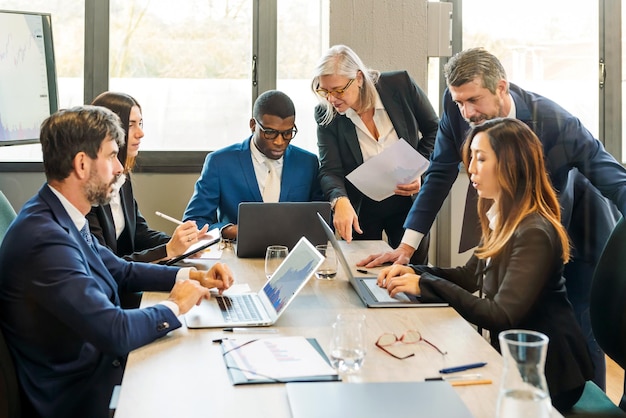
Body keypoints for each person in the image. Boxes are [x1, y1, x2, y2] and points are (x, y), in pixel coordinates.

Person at [360, 47, 626, 388]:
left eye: (474, 100)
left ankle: (588, 402)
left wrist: (425, 282)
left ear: (502, 87)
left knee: (576, 334)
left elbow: (614, 180)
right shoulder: (460, 109)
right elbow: (439, 173)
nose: (467, 112)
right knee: (520, 326)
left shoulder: (557, 123)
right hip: (520, 226)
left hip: (577, 232)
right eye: (459, 103)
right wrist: (407, 252)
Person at [0, 106, 234, 418]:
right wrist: (175, 305)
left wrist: (192, 276)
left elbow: (120, 270)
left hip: (93, 371)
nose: (119, 168)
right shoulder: (45, 240)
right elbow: (116, 331)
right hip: (78, 397)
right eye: (111, 156)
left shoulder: (61, 213)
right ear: (82, 164)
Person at [378, 118, 594, 412]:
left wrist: (425, 284)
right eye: (471, 159)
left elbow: (500, 315)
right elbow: (469, 277)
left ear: (511, 164)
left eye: (481, 159)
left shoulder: (534, 231)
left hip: (546, 374)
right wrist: (415, 272)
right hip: (511, 359)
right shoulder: (502, 215)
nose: (471, 169)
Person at [311, 45, 438, 263]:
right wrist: (339, 200)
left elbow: (435, 130)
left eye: (338, 90)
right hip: (362, 207)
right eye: (325, 91)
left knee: (412, 271)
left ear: (359, 78)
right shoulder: (326, 113)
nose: (331, 99)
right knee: (365, 271)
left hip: (409, 200)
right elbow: (329, 169)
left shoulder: (400, 85)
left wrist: (419, 168)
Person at [183, 90, 323, 240]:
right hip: (236, 257)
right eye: (270, 133)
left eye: (287, 133)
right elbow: (194, 222)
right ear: (253, 125)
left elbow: (323, 220)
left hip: (293, 255)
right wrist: (229, 231)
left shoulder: (308, 163)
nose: (279, 141)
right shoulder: (220, 163)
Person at [88, 92, 208, 264]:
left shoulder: (122, 177)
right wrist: (169, 250)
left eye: (141, 124)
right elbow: (106, 265)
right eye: (131, 125)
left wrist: (181, 245)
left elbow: (139, 232)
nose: (141, 133)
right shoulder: (90, 189)